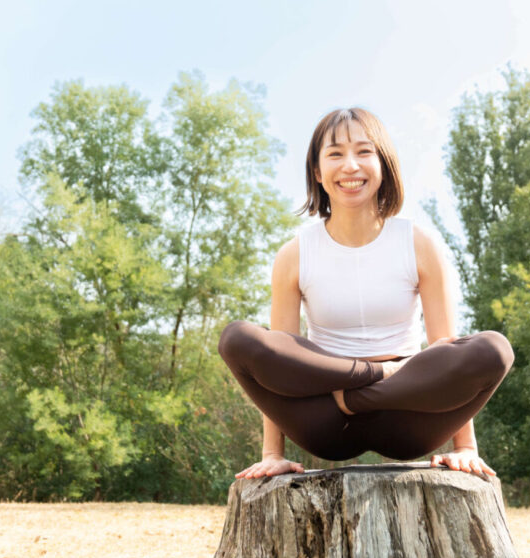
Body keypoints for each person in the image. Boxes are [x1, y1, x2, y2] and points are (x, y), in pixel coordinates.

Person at [218, 108, 514, 480]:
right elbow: (282, 355)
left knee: (494, 349)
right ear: (317, 170)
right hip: (324, 415)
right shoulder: (294, 254)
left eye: (363, 151)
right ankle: (370, 380)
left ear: (383, 163)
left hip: (410, 408)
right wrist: (272, 453)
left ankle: (359, 393)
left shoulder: (419, 243)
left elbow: (445, 346)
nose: (350, 166)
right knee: (238, 339)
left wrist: (465, 448)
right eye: (336, 154)